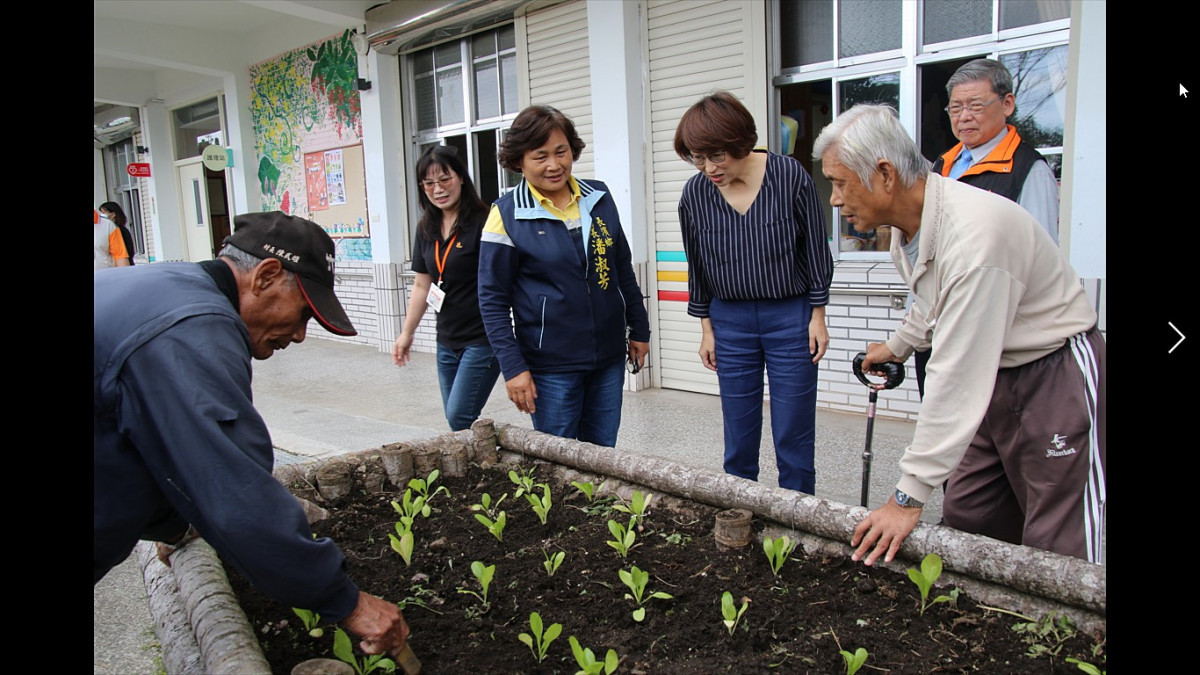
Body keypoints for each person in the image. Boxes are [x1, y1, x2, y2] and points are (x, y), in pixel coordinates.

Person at [94, 212, 410, 655]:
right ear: (265, 275)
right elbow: (233, 487)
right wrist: (349, 604)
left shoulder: (171, 289)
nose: (300, 336)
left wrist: (173, 522)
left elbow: (147, 443)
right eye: (303, 312)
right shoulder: (190, 327)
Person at [812, 105, 1105, 564]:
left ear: (885, 175)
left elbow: (957, 374)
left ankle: (1069, 631)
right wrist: (897, 346)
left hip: (1053, 374)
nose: (834, 199)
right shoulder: (913, 225)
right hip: (997, 375)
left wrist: (906, 498)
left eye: (840, 182)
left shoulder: (973, 240)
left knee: (1058, 534)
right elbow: (933, 301)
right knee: (972, 510)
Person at [674, 91, 833, 494]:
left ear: (741, 143)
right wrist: (706, 329)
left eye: (718, 156)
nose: (709, 167)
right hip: (730, 321)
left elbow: (815, 248)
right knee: (739, 426)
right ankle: (740, 506)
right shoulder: (695, 194)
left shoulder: (789, 176)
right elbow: (698, 265)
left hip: (790, 316)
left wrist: (818, 316)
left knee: (793, 425)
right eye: (698, 157)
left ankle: (798, 514)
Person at [478, 105, 650, 447]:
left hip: (607, 358)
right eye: (540, 156)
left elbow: (621, 270)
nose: (554, 165)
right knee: (559, 463)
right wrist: (513, 368)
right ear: (518, 161)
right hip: (550, 366)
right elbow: (492, 300)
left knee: (603, 458)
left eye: (561, 152)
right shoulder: (506, 215)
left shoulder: (598, 197)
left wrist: (639, 329)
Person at [911, 58, 1062, 397]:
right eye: (955, 108)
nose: (964, 117)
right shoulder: (941, 167)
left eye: (976, 106)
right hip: (940, 330)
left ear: (1007, 104)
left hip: (992, 339)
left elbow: (1038, 261)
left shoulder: (1028, 169)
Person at [393, 147, 501, 431]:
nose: (438, 189)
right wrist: (407, 333)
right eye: (429, 183)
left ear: (461, 177)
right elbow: (421, 285)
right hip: (446, 340)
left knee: (459, 416)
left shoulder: (486, 220)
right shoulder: (425, 227)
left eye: (445, 179)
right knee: (458, 423)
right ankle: (476, 467)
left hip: (482, 339)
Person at [100, 201, 137, 266]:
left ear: (113, 214)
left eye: (103, 212)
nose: (101, 215)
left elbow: (126, 251)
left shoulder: (118, 230)